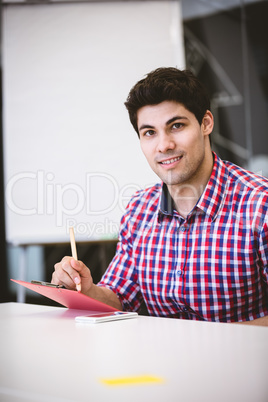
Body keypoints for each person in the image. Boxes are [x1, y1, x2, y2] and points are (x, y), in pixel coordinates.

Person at [52, 67, 268, 325]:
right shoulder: (139, 209)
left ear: (206, 123)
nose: (163, 145)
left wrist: (216, 344)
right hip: (157, 365)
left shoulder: (259, 203)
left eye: (176, 126)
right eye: (150, 133)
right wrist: (86, 290)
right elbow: (119, 297)